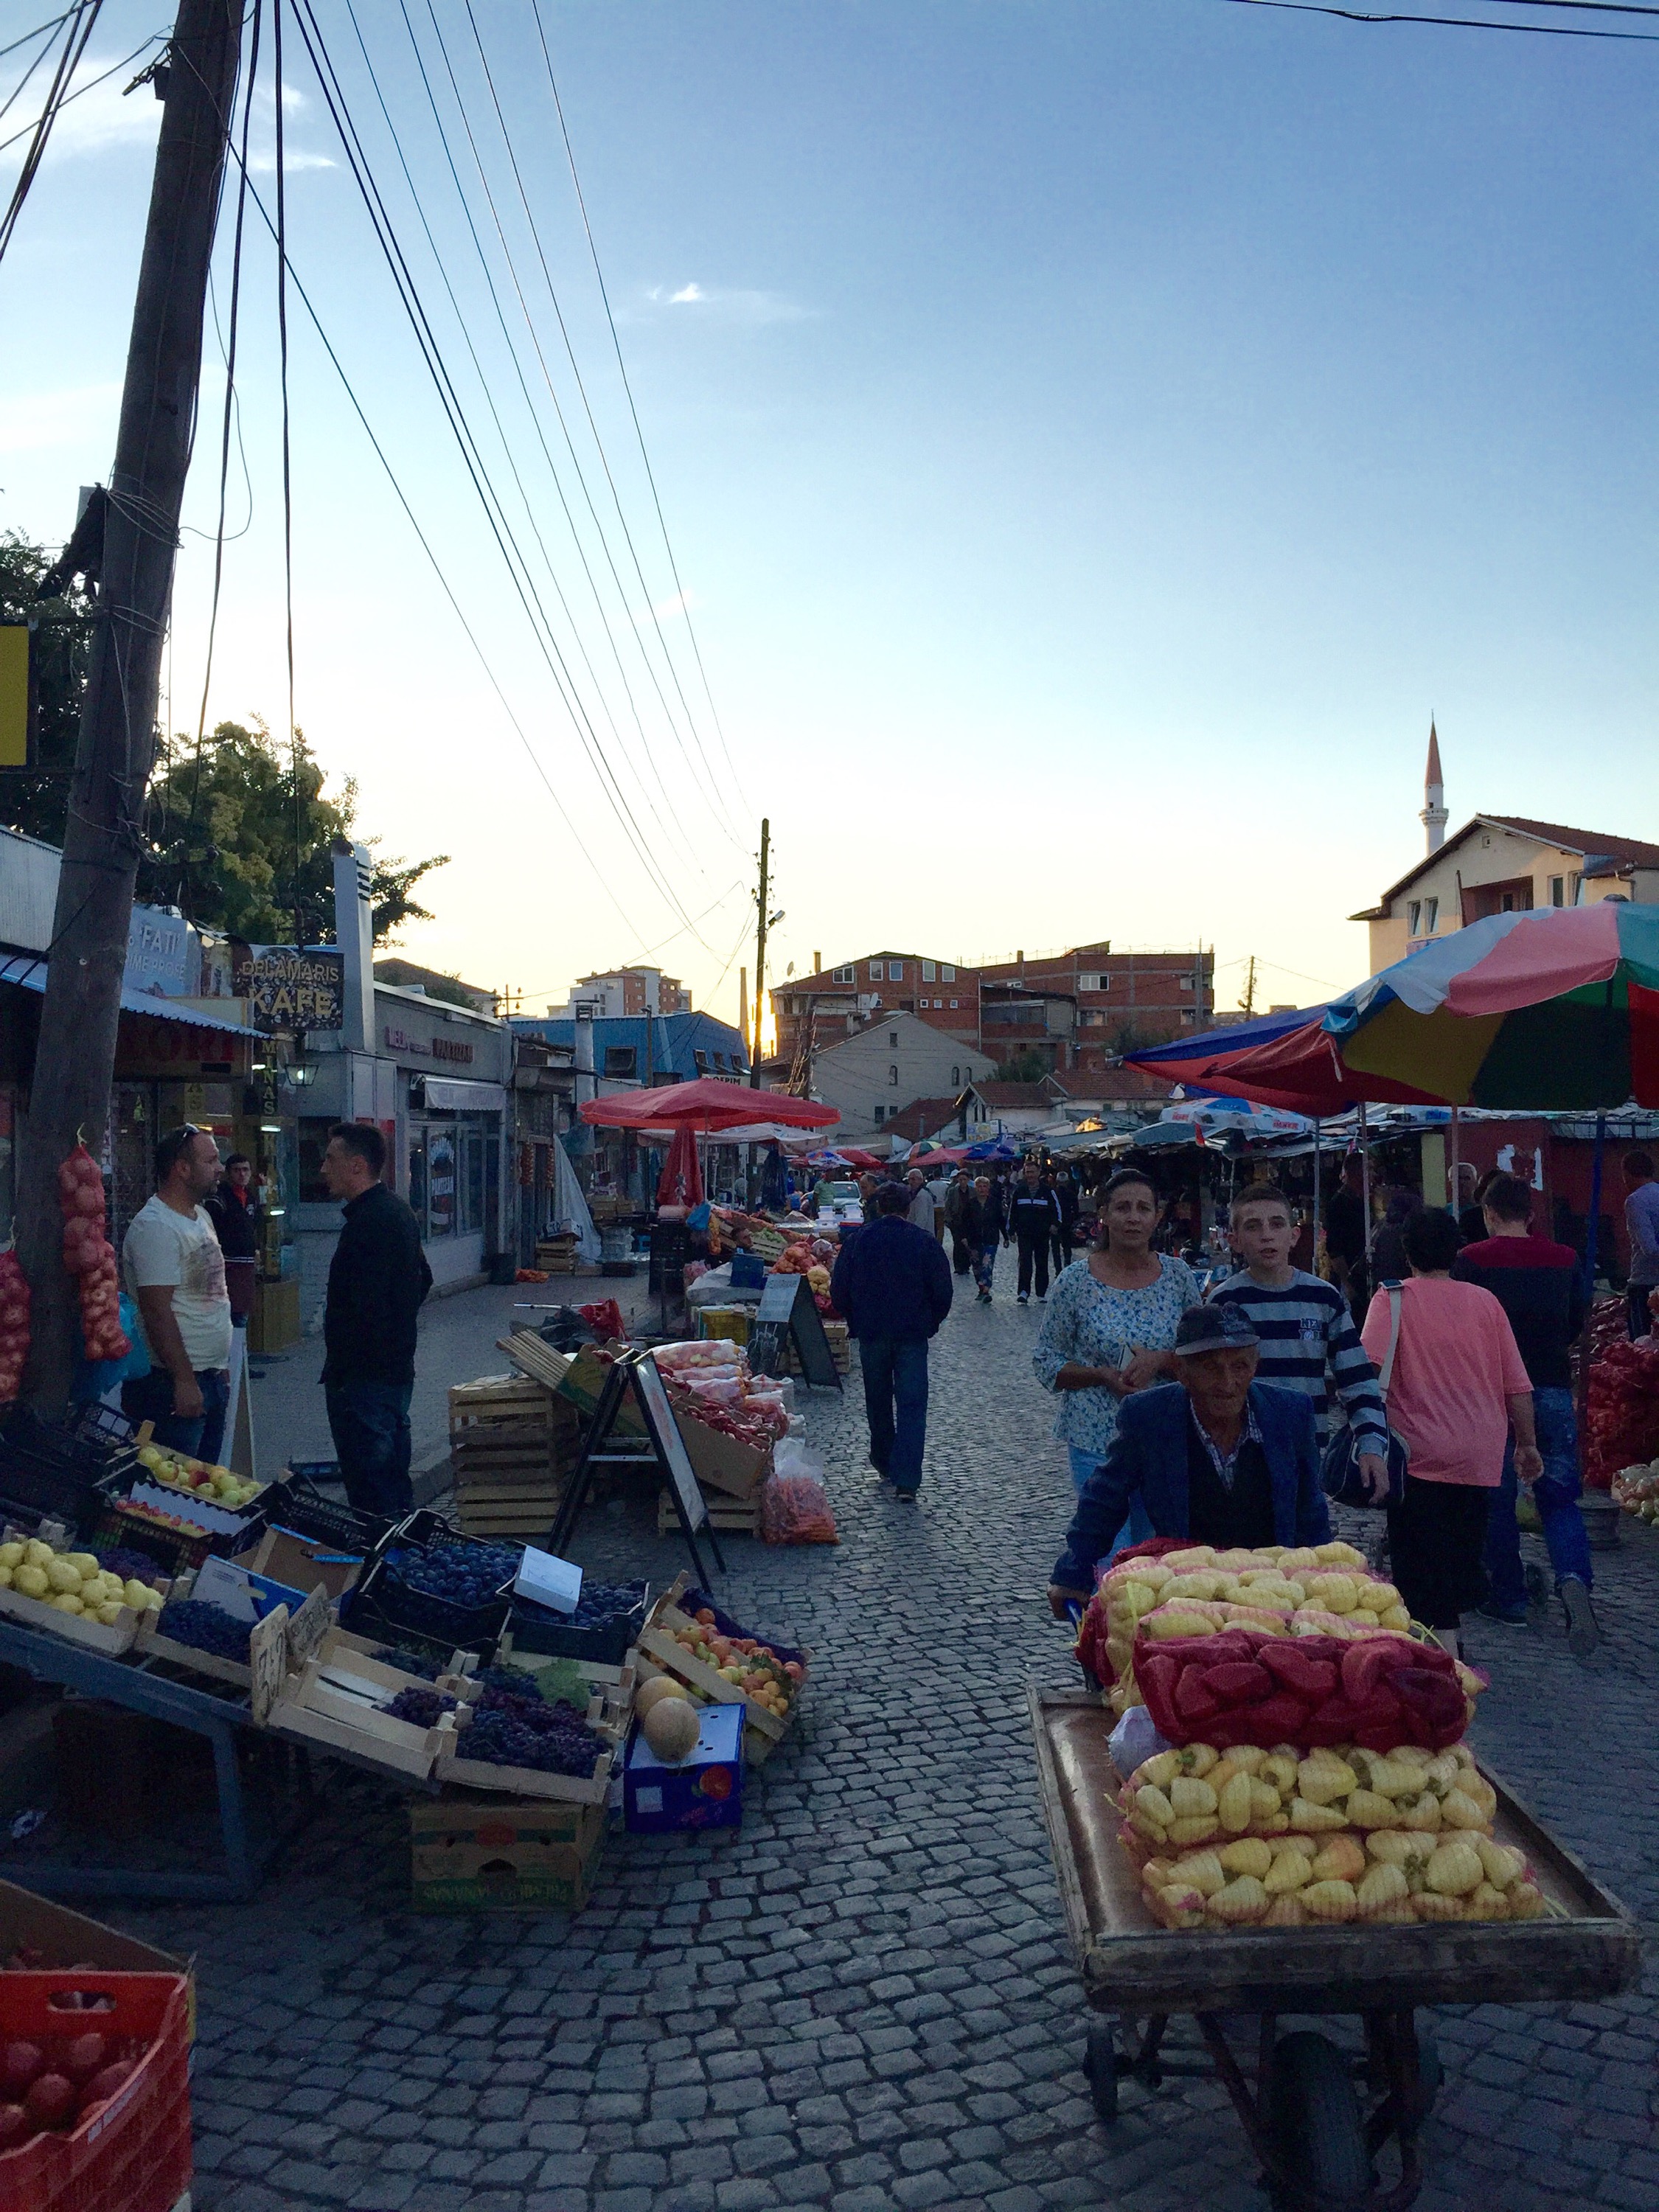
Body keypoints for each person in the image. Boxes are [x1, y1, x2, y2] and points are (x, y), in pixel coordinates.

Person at [1048, 1304, 1329, 1613]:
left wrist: (1323, 1579)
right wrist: (1073, 1573)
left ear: (1255, 1365)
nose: (1228, 1383)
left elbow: (1310, 1510)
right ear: (1181, 1372)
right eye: (1211, 1368)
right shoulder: (1147, 1417)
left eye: (1240, 1366)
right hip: (1185, 1592)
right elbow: (1105, 1499)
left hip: (1272, 1591)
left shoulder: (1290, 1413)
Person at [1360, 1206, 1537, 1654]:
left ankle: (1439, 1660)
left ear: (1406, 1253)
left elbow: (1367, 1371)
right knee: (1457, 1562)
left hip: (1417, 1456)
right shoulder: (1486, 1303)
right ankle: (1449, 1645)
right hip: (1479, 1455)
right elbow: (1517, 1385)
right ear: (1456, 1251)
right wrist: (1528, 1444)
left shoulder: (1392, 1299)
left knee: (1420, 1567)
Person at [1453, 1171, 1597, 1653]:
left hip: (1492, 1392)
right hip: (1551, 1388)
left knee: (1496, 1496)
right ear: (1531, 1215)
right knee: (1559, 1497)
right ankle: (1573, 1580)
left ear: (1489, 1214)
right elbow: (1577, 1320)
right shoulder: (1567, 1259)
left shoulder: (1471, 1260)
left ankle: (1508, 1596)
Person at [1033, 1168, 1203, 1537]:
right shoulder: (1075, 1281)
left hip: (1165, 1438)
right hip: (1096, 1437)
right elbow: (1046, 1360)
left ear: (1157, 1217)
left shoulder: (1178, 1278)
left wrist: (1160, 1360)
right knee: (1110, 1551)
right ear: (1104, 1215)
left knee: (1157, 1550)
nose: (1133, 1218)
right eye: (1123, 1208)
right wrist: (1101, 1375)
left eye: (1143, 1208)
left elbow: (1201, 1358)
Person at [1210, 1185, 1389, 1501]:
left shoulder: (1323, 1298)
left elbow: (1357, 1379)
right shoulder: (1224, 1303)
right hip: (1239, 1458)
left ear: (1293, 1236)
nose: (1267, 1235)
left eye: (1276, 1224)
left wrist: (1371, 1442)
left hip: (1306, 1453)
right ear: (1234, 1240)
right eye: (1253, 1226)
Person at [321, 1121, 434, 1518]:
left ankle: (387, 1552)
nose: (323, 1169)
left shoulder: (374, 1221)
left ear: (356, 1165)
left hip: (367, 1379)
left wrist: (361, 1350)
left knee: (375, 1492)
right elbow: (422, 1278)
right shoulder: (391, 1212)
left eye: (330, 1159)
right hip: (385, 1373)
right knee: (388, 1482)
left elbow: (369, 1305)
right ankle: (397, 1546)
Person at [830, 1180, 953, 1499]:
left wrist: (855, 1319)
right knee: (912, 1405)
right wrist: (930, 1323)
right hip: (911, 1334)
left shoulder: (858, 1241)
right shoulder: (923, 1242)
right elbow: (943, 1291)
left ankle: (884, 1460)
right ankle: (907, 1479)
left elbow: (839, 1289)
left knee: (878, 1400)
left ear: (879, 1207)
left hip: (872, 1333)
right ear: (908, 1209)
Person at [121, 1125, 234, 1465]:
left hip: (209, 1378)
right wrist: (184, 1380)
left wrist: (220, 1366)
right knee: (170, 1485)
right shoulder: (155, 1226)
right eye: (210, 1161)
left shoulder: (201, 1216)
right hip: (169, 1384)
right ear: (182, 1168)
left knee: (206, 1482)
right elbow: (157, 1311)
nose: (220, 1168)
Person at [204, 1152, 261, 1326]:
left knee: (242, 1313)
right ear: (229, 1173)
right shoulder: (220, 1198)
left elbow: (256, 1224)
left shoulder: (251, 1197)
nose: (242, 1174)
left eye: (245, 1170)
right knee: (230, 1313)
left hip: (247, 1264)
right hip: (227, 1264)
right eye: (237, 1170)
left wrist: (256, 1249)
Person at [1006, 1157, 1063, 1304]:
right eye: (1027, 1172)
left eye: (1032, 1172)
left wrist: (1055, 1224)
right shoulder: (1019, 1191)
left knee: (1042, 1263)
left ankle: (1041, 1293)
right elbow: (1013, 1212)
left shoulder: (1048, 1191)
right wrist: (1011, 1230)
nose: (1030, 1175)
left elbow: (1057, 1210)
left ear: (1038, 1173)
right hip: (1024, 1233)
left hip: (1042, 1234)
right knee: (1025, 1262)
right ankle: (1023, 1292)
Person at [1621, 1149, 1659, 1341]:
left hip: (1645, 1283)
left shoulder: (1635, 1201)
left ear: (1628, 1173)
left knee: (1643, 1345)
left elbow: (1649, 1248)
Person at [1324, 1152, 1368, 1314]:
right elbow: (1334, 1249)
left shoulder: (1362, 1201)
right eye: (1369, 1170)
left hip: (1362, 1275)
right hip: (1348, 1279)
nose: (1373, 1175)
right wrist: (1347, 1283)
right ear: (1357, 1173)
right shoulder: (1338, 1205)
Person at [970, 1174, 1003, 1301]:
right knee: (977, 1267)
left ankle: (986, 1290)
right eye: (979, 1186)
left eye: (984, 1186)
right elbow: (965, 1222)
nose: (982, 1189)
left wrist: (1006, 1236)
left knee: (987, 1265)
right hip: (975, 1239)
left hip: (991, 1238)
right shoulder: (971, 1203)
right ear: (976, 1188)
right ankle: (981, 1288)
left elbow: (1000, 1220)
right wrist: (964, 1237)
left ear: (988, 1188)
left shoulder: (994, 1203)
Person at [943, 1170, 976, 1276]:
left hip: (969, 1222)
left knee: (968, 1243)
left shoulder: (973, 1191)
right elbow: (948, 1205)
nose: (962, 1182)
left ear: (968, 1180)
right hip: (956, 1221)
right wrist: (948, 1219)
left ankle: (966, 1265)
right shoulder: (953, 1191)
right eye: (960, 1180)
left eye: (964, 1180)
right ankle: (958, 1266)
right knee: (958, 1243)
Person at [1048, 1167, 1080, 1278]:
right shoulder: (1071, 1194)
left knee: (1056, 1249)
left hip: (1055, 1225)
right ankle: (1067, 1268)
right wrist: (1071, 1221)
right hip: (1066, 1224)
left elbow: (1049, 1210)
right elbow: (1076, 1210)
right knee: (1067, 1247)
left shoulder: (1052, 1194)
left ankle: (1058, 1271)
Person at [905, 1166, 937, 1238]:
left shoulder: (922, 1195)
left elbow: (922, 1219)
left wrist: (914, 1235)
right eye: (909, 1179)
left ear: (920, 1180)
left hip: (922, 1235)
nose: (911, 1182)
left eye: (913, 1179)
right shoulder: (914, 1194)